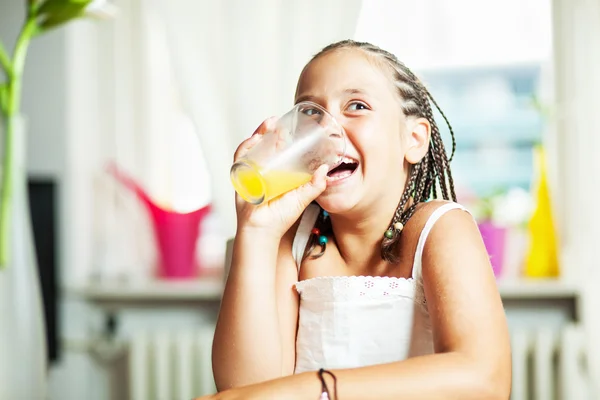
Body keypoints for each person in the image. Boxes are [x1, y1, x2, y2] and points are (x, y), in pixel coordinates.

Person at [201, 40, 511, 400]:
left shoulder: (441, 228)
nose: (327, 130)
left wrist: (316, 387)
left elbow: (485, 380)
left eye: (357, 106)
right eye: (311, 114)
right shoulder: (293, 238)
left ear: (413, 139)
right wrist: (256, 232)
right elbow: (245, 390)